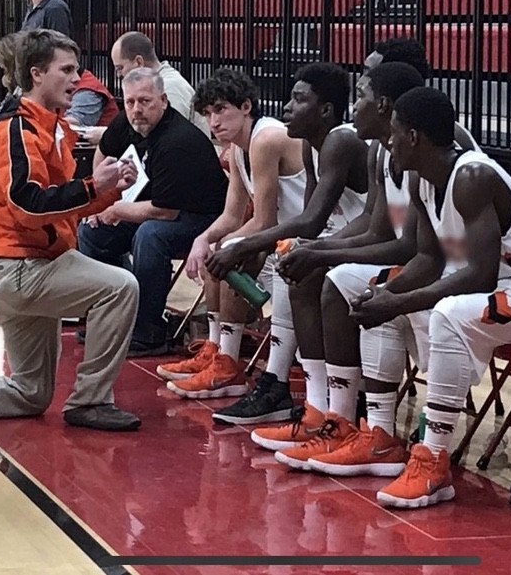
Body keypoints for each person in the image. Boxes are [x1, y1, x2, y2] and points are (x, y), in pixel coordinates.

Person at [342, 86, 511, 508]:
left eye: (394, 133)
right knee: (381, 301)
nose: (388, 142)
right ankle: (378, 434)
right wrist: (384, 294)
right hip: (504, 286)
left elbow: (480, 276)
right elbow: (429, 260)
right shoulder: (421, 180)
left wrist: (399, 300)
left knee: (448, 311)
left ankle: (433, 460)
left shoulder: (472, 176)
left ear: (413, 136)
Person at [0, 29, 141, 431]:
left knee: (30, 393)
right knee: (121, 286)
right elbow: (28, 204)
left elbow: (58, 202)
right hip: (23, 267)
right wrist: (96, 186)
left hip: (24, 266)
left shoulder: (52, 129)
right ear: (37, 74)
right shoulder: (18, 130)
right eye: (68, 70)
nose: (77, 79)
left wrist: (108, 193)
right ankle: (90, 400)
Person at [256, 62, 427, 465]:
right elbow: (372, 226)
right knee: (309, 267)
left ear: (384, 105)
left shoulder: (366, 144)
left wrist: (317, 249)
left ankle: (377, 430)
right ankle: (328, 414)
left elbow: (403, 244)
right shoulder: (381, 153)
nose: (355, 107)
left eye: (362, 96)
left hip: (465, 267)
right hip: (408, 255)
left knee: (342, 280)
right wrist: (316, 250)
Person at [206, 62, 371, 426]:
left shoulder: (341, 140)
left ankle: (316, 397)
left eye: (298, 100)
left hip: (373, 243)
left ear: (325, 110)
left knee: (301, 266)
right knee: (293, 259)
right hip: (343, 238)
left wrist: (247, 246)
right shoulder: (314, 146)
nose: (286, 108)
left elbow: (309, 221)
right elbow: (311, 225)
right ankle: (295, 393)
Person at [158, 68, 305, 401]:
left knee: (229, 251)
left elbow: (265, 221)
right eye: (208, 113)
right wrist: (203, 240)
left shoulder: (266, 139)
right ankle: (217, 351)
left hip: (306, 235)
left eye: (221, 109)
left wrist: (223, 245)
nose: (213, 121)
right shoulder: (238, 148)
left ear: (246, 107)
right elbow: (231, 215)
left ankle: (228, 363)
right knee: (216, 249)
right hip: (283, 238)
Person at [77, 67, 228, 357]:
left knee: (151, 236)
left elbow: (165, 212)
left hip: (202, 218)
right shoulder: (127, 122)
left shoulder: (177, 141)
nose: (137, 110)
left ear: (164, 100)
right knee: (92, 231)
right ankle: (117, 314)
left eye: (145, 101)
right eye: (131, 102)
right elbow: (104, 152)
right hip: (153, 207)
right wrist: (100, 199)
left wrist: (117, 209)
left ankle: (149, 332)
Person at [83, 31, 209, 146]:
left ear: (138, 62)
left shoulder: (170, 86)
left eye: (120, 68)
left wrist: (106, 135)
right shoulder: (164, 82)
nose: (118, 75)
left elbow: (165, 135)